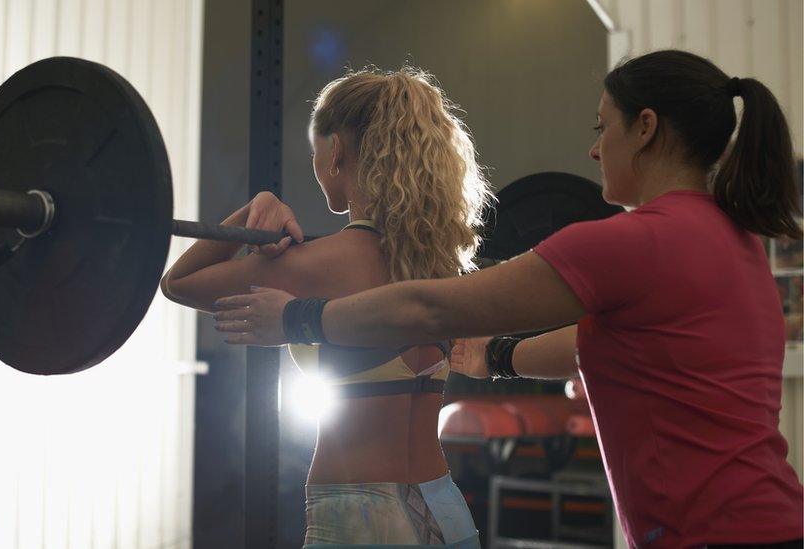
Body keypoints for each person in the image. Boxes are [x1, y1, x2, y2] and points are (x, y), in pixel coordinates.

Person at [213, 50, 804, 548]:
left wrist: (298, 317)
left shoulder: (634, 241)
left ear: (645, 128)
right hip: (772, 517)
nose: (596, 150)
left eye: (603, 128)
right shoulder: (736, 239)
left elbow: (434, 308)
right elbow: (598, 345)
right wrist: (495, 358)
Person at [161, 67, 492, 547]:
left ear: (335, 150)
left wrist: (254, 208)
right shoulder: (442, 268)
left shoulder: (318, 265)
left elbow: (179, 282)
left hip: (361, 514)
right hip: (446, 506)